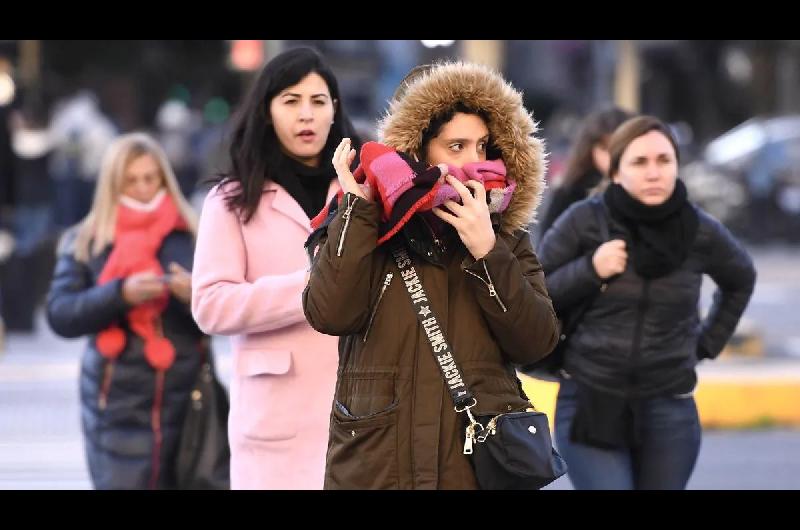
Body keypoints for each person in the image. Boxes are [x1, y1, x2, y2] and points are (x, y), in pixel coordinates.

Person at [302, 61, 560, 489]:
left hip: (472, 470)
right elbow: (329, 313)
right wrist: (359, 211)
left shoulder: (507, 239)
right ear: (417, 151)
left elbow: (537, 343)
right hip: (379, 467)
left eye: (483, 147)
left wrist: (487, 252)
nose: (475, 163)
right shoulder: (366, 225)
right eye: (456, 146)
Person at [538, 116, 756, 490]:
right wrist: (590, 269)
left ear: (676, 166)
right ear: (617, 171)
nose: (654, 172)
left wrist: (705, 344)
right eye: (640, 162)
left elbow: (740, 278)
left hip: (669, 405)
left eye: (663, 160)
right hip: (591, 398)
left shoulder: (698, 229)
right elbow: (535, 294)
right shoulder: (584, 220)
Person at [190, 47, 362, 489]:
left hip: (363, 411)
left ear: (335, 110)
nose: (306, 115)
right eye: (291, 101)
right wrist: (309, 289)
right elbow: (210, 305)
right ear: (267, 110)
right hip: (275, 421)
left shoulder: (362, 191)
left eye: (318, 101)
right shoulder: (230, 200)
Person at [46, 133, 210, 489]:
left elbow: (220, 318)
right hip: (115, 404)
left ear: (164, 179)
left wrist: (192, 294)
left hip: (186, 399)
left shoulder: (193, 234)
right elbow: (61, 314)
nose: (142, 189)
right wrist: (119, 294)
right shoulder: (86, 238)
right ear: (112, 183)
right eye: (131, 180)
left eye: (150, 178)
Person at [537, 106, 633, 241]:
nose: (612, 156)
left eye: (619, 147)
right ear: (590, 150)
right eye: (605, 148)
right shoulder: (569, 194)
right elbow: (547, 252)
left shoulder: (646, 188)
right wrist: (591, 260)